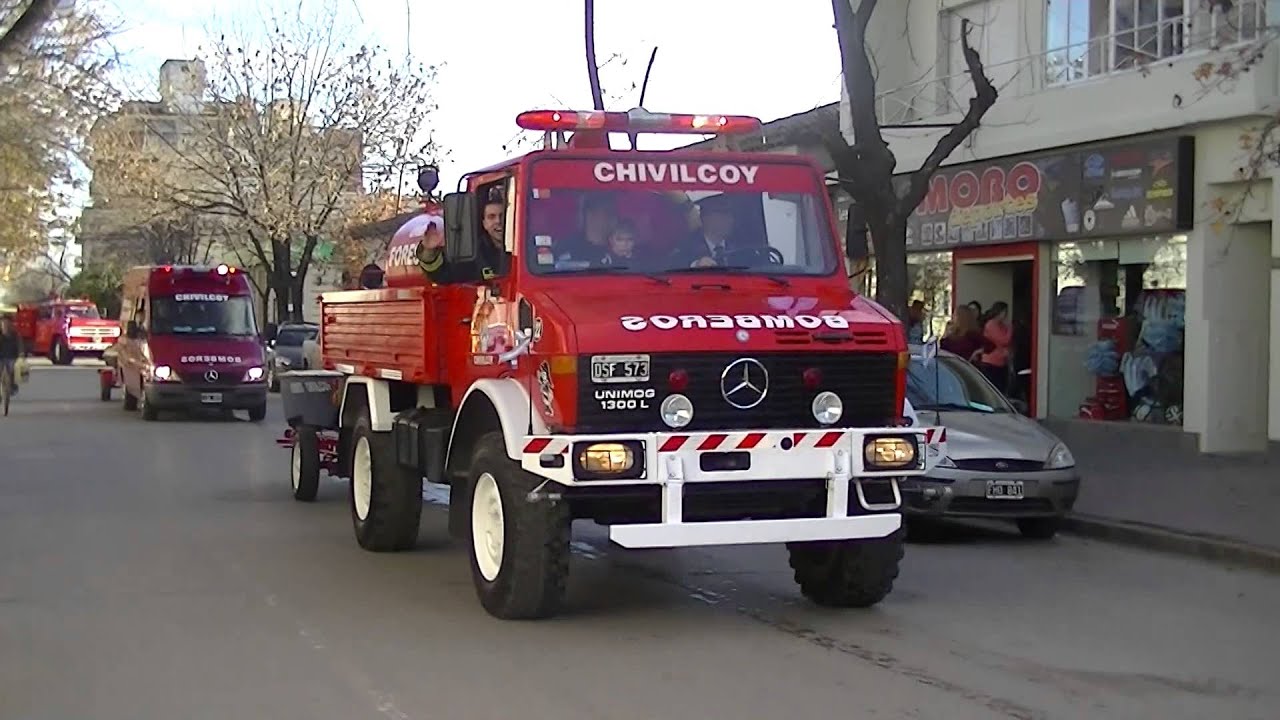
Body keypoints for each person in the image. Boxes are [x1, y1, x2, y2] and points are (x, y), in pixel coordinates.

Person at [417, 195, 510, 283]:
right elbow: (442, 276)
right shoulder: (473, 254)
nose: (498, 221)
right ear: (484, 224)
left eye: (502, 216)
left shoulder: (523, 251)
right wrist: (429, 252)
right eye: (491, 217)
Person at [669, 194, 745, 268]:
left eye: (731, 214)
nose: (730, 220)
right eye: (723, 213)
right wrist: (695, 265)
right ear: (705, 217)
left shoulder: (740, 248)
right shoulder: (686, 248)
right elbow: (671, 267)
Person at [556, 193, 617, 263]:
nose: (614, 218)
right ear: (589, 214)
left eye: (614, 213)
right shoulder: (566, 248)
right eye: (608, 213)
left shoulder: (621, 251)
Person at [976, 301, 1013, 391]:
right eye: (1005, 312)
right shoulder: (991, 324)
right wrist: (1011, 329)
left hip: (1001, 361)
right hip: (991, 362)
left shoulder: (1002, 326)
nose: (1005, 315)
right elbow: (1004, 340)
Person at [0, 315, 23, 397]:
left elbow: (20, 345)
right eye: (3, 323)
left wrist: (21, 354)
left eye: (7, 323)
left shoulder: (15, 335)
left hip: (12, 357)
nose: (5, 325)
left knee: (13, 370)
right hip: (1, 358)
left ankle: (13, 386)